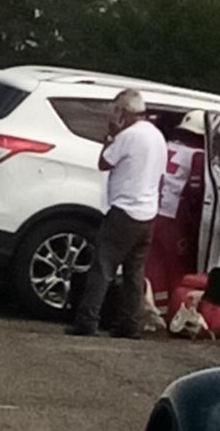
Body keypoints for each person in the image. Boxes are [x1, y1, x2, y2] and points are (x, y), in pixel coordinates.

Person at [67, 89, 167, 338]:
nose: (114, 115)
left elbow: (104, 162)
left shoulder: (128, 136)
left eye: (116, 110)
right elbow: (161, 178)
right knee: (135, 271)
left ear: (124, 111)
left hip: (124, 210)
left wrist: (110, 137)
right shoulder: (157, 137)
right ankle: (130, 323)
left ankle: (87, 320)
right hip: (148, 213)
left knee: (103, 266)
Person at [145, 110, 206, 313]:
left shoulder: (168, 147)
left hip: (155, 211)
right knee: (176, 268)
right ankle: (176, 312)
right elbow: (196, 192)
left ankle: (153, 307)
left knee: (153, 264)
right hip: (176, 218)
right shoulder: (199, 155)